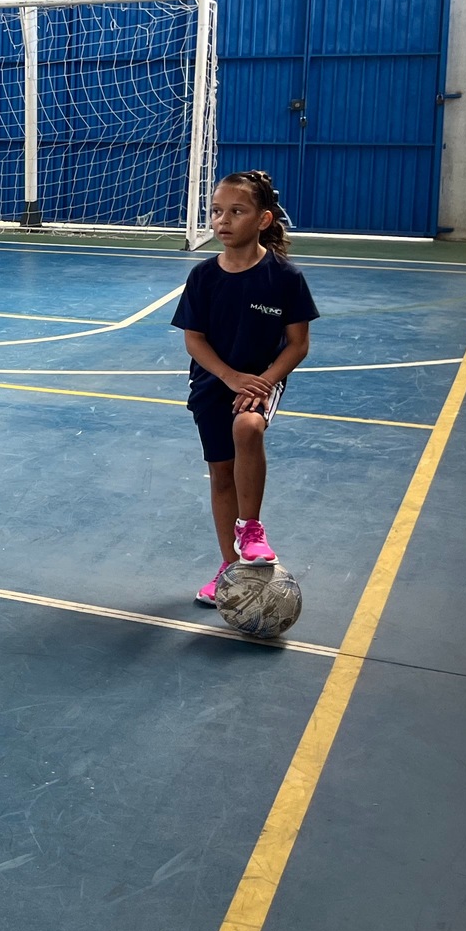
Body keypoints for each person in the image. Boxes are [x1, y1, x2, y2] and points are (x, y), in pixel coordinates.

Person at [170, 170, 319, 608]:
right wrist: (229, 377)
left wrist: (265, 380)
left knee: (248, 429)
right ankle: (228, 568)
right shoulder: (203, 278)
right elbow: (193, 340)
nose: (223, 220)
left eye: (237, 211)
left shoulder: (285, 278)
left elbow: (298, 344)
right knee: (220, 475)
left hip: (261, 380)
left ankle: (250, 528)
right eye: (217, 211)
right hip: (213, 384)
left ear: (264, 219)